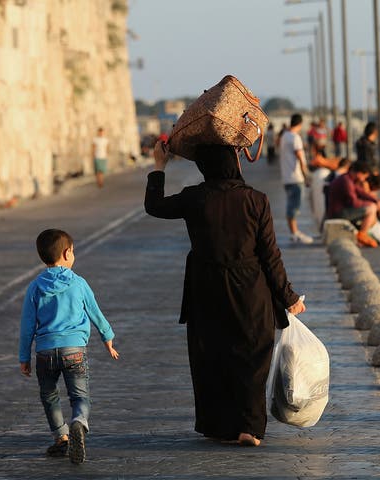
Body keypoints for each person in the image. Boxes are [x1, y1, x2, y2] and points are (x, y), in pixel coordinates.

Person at [145, 140, 306, 447]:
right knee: (252, 354)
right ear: (233, 163)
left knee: (212, 357)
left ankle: (220, 427)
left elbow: (154, 206)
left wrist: (159, 166)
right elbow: (270, 255)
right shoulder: (255, 200)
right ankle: (249, 427)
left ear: (205, 167)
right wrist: (289, 297)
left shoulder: (195, 197)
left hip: (206, 287)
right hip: (250, 287)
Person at [19, 229, 119, 464]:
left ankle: (61, 437)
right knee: (80, 395)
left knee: (49, 395)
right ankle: (79, 422)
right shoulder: (79, 283)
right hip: (74, 350)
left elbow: (26, 326)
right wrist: (108, 338)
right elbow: (95, 312)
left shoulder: (34, 287)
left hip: (45, 352)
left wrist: (24, 357)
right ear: (67, 253)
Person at [326, 161, 380, 248]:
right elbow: (353, 202)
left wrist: (376, 201)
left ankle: (364, 235)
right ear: (358, 173)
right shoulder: (346, 181)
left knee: (373, 206)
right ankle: (362, 234)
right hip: (338, 212)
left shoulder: (348, 179)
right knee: (371, 209)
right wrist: (371, 204)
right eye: (364, 176)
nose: (364, 179)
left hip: (340, 210)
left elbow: (361, 193)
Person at [279, 113, 314, 244]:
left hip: (287, 177)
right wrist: (306, 176)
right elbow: (300, 157)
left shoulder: (284, 136)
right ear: (300, 124)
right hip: (295, 177)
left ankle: (294, 232)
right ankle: (294, 233)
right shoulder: (295, 138)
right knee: (294, 206)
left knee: (291, 205)